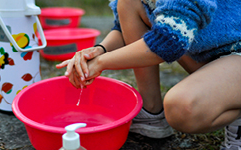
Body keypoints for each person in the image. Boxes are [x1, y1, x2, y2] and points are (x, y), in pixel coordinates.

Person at [56, 0, 241, 149]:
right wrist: (99, 50)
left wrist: (102, 63)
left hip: (236, 52)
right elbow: (125, 27)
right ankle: (151, 113)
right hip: (215, 51)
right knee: (129, 2)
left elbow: (170, 41)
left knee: (182, 108)